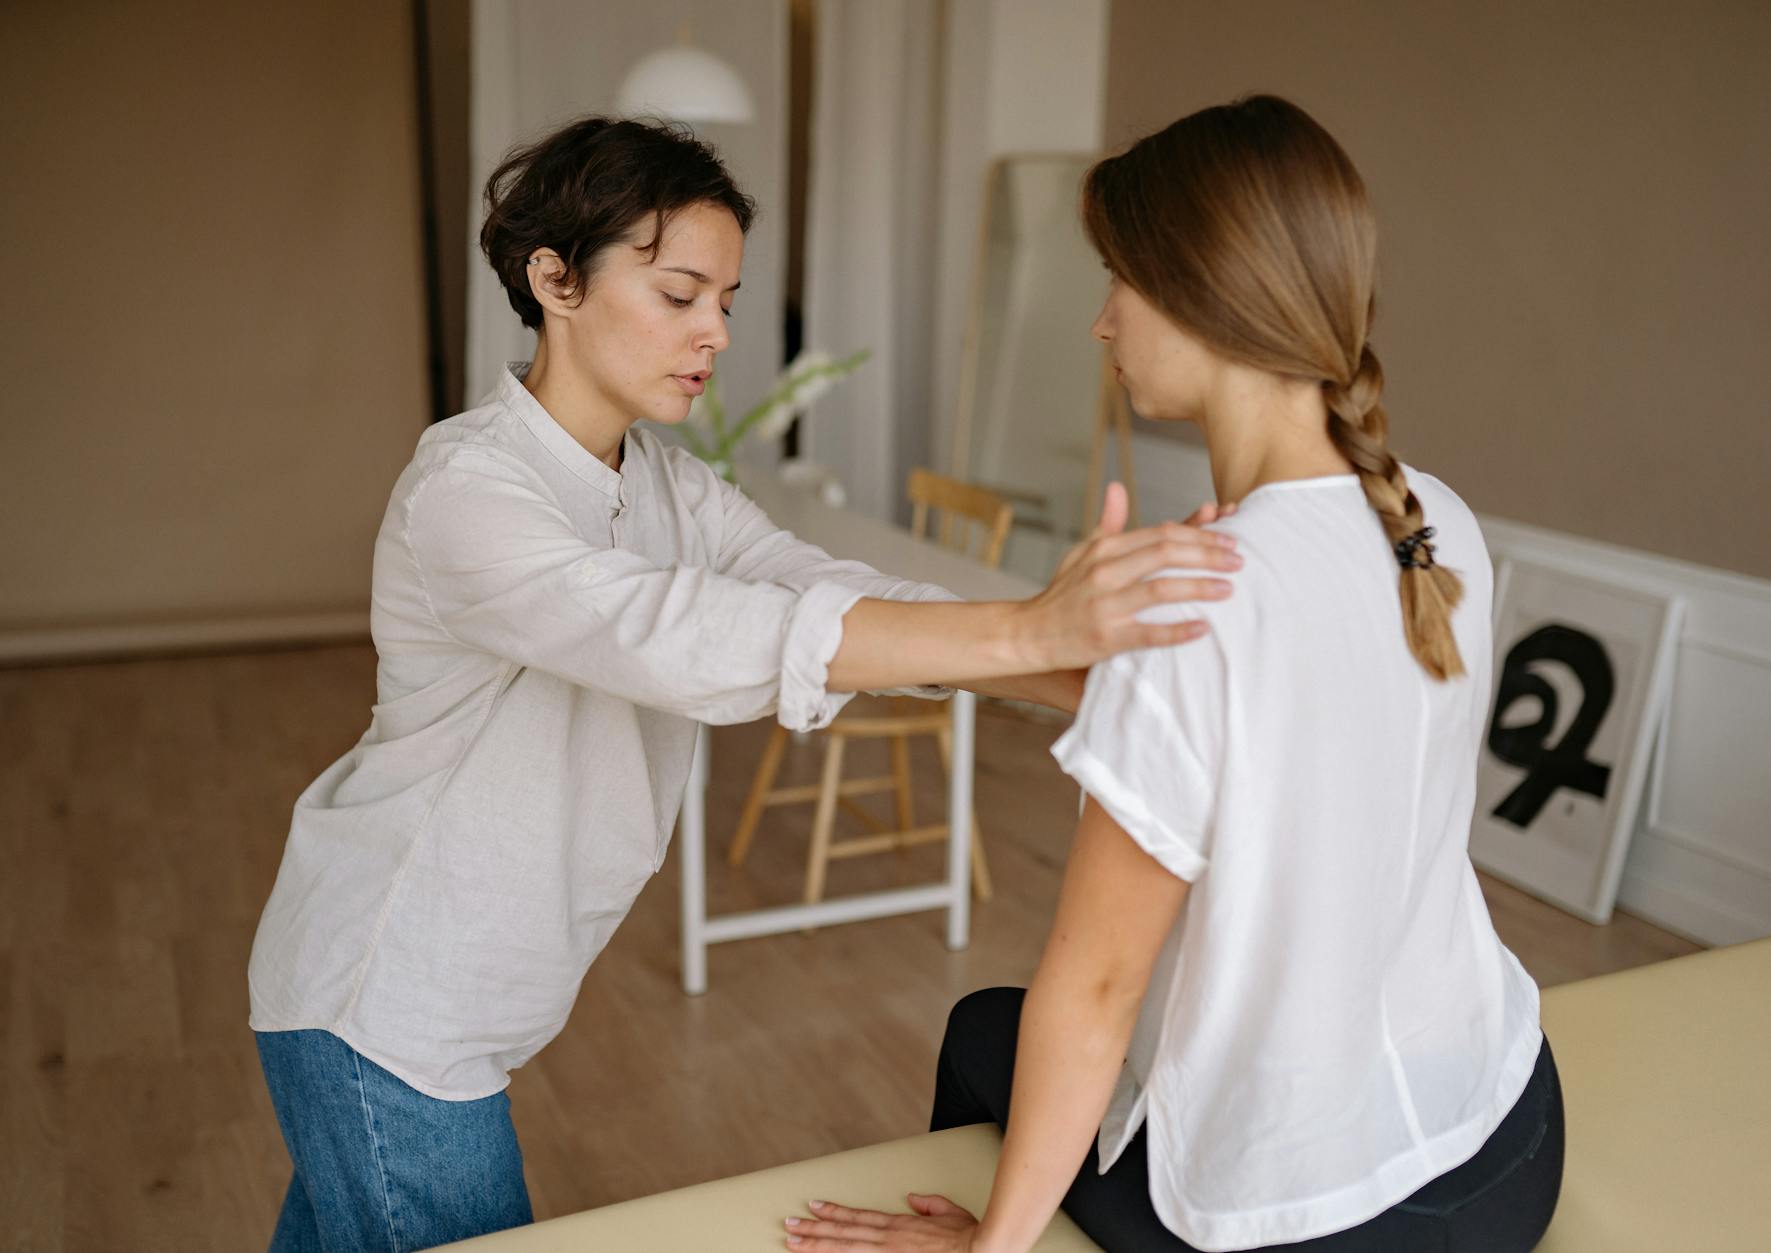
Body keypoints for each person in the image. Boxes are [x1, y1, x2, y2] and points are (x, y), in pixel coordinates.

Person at [245, 116, 1242, 1252]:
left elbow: (823, 585)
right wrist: (1027, 629)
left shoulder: (670, 486)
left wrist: (1081, 669)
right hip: (389, 1012)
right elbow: (682, 632)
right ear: (555, 280)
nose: (716, 331)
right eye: (679, 294)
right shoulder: (467, 492)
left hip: (447, 1006)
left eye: (724, 299)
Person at [784, 95, 1563, 1253]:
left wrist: (990, 1246)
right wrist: (1062, 654)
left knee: (983, 1030)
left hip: (1325, 1226)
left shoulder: (1190, 607)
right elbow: (1298, 727)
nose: (1101, 320)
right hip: (1507, 1132)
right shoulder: (1430, 518)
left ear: (1202, 294)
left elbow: (1097, 991)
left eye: (1117, 278)